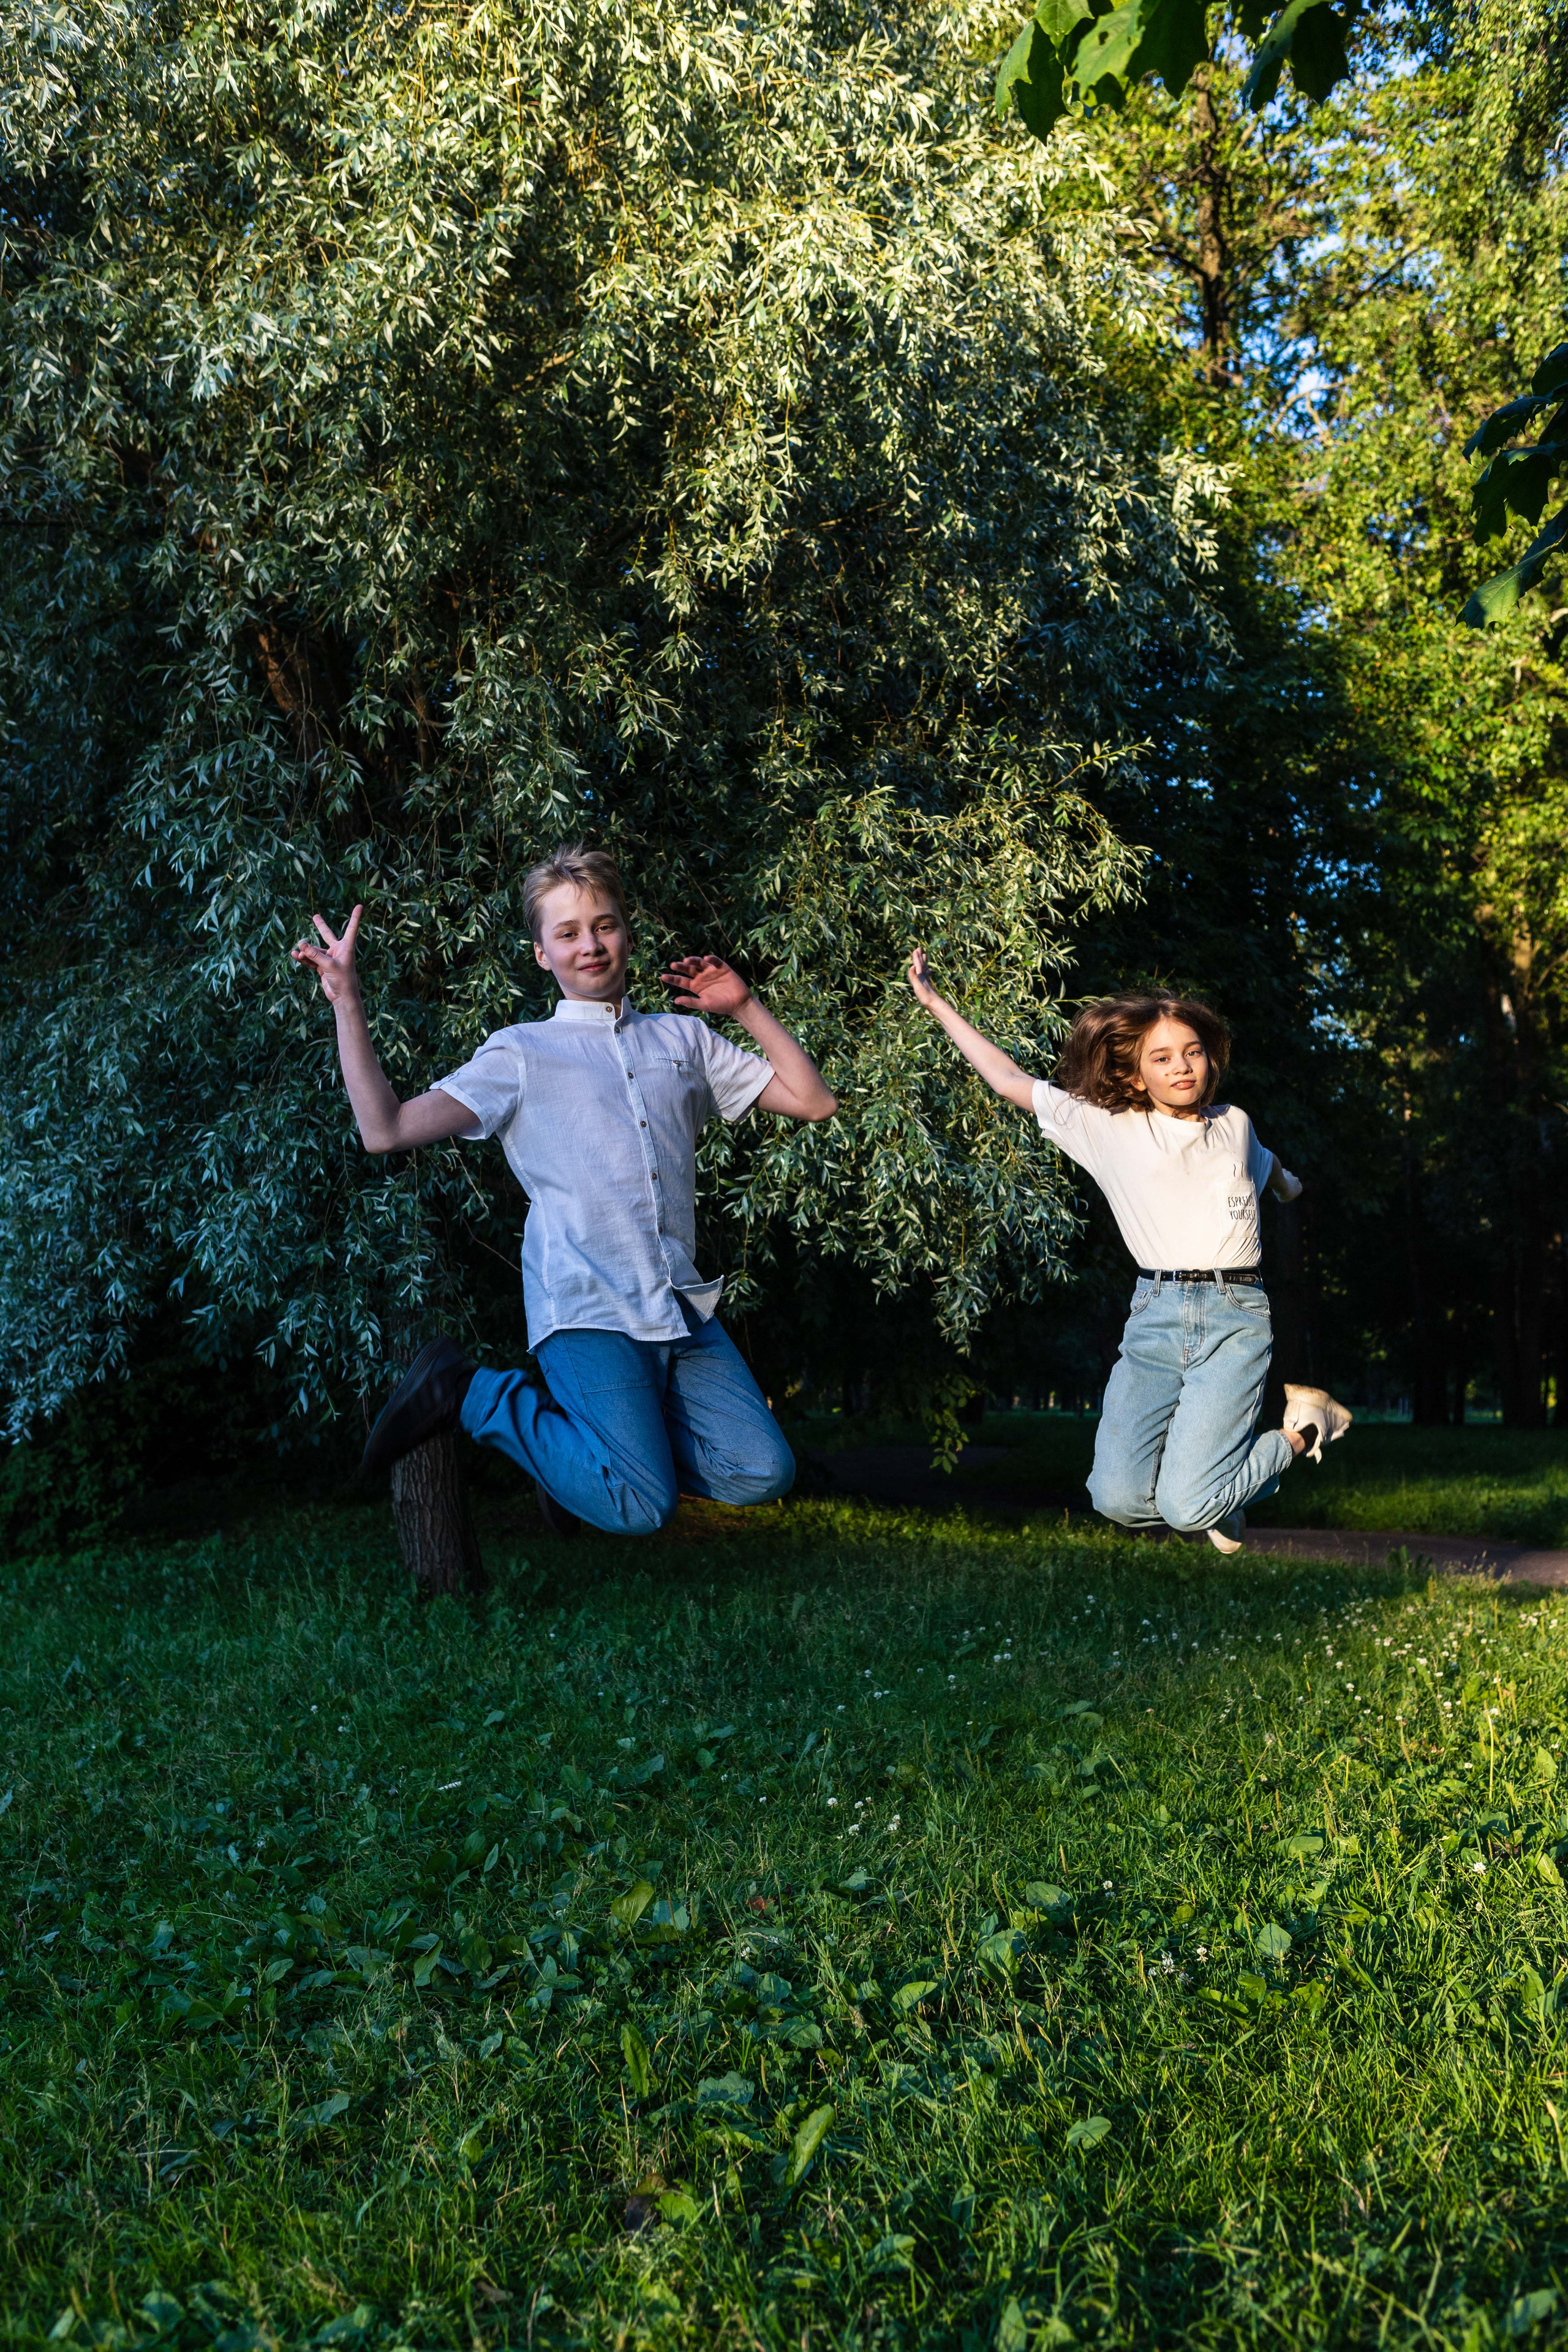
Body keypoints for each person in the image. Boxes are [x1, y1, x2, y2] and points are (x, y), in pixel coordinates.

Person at [291, 845, 837, 1537]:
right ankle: (469, 1392)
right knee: (641, 1508)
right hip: (586, 1307)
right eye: (568, 933)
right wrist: (348, 1001)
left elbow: (815, 1103)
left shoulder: (685, 1040)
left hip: (678, 1307)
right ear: (542, 953)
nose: (591, 945)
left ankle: (582, 1461)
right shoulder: (522, 1054)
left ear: (627, 932)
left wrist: (746, 1005)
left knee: (763, 1471)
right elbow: (385, 1129)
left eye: (604, 925)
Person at [905, 952, 1349, 1552]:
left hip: (1233, 1318)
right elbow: (1007, 1079)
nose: (1182, 1067)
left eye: (1192, 1051)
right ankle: (1222, 1496)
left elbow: (1267, 1167)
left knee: (1188, 1505)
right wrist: (936, 1004)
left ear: (1209, 1058)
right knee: (1114, 1497)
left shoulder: (1234, 1124)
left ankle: (1304, 1426)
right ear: (1137, 1075)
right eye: (1162, 1058)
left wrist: (1289, 1186)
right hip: (1154, 1315)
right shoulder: (1104, 1126)